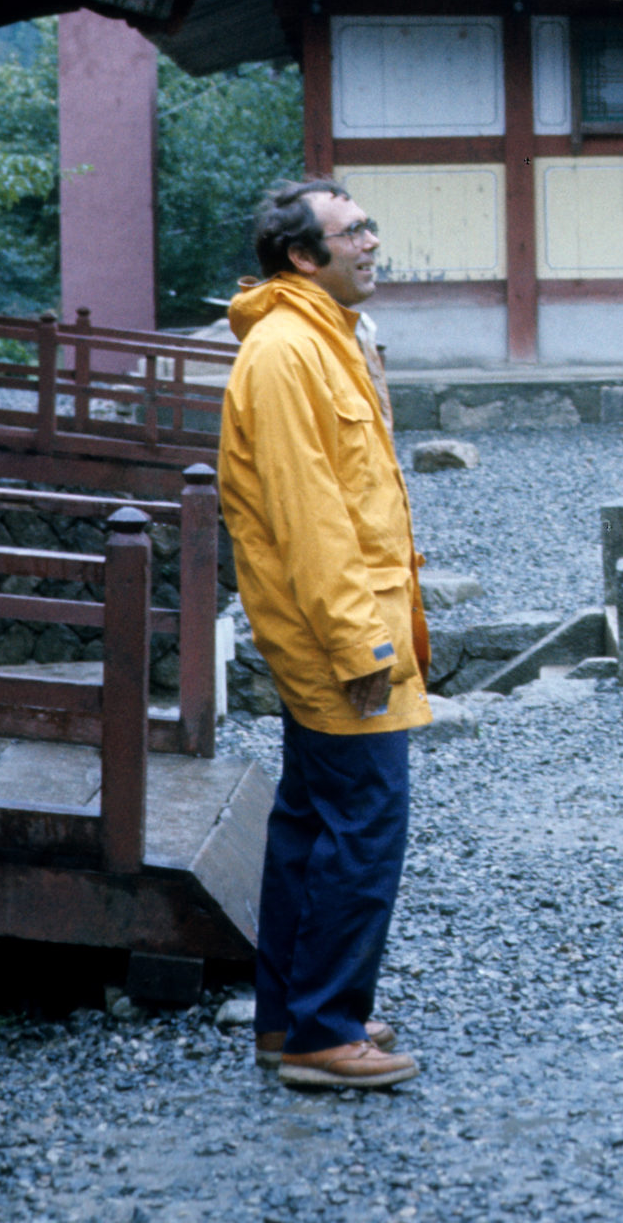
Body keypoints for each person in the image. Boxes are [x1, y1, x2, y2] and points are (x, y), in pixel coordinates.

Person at [218, 178, 430, 1091]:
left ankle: (293, 1017)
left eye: (369, 224)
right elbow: (311, 522)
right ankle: (322, 1034)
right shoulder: (285, 351)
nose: (370, 241)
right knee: (365, 826)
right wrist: (364, 651)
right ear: (303, 258)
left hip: (344, 626)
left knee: (310, 825)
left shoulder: (322, 337)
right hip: (338, 639)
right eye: (351, 232)